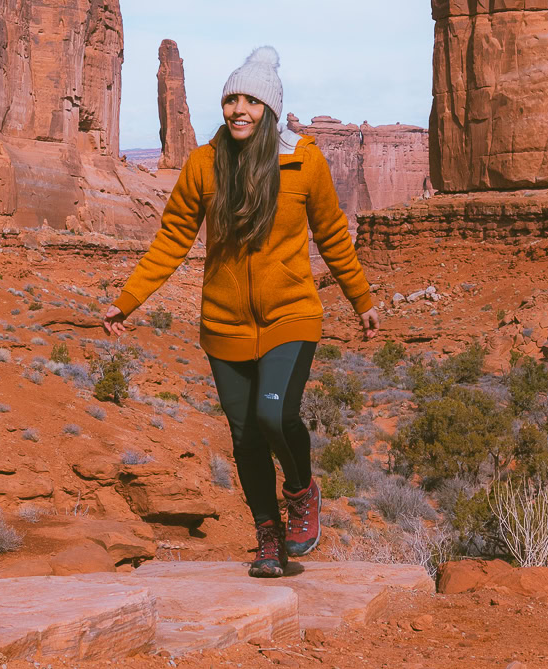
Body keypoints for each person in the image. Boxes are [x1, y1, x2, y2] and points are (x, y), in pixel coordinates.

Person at [102, 46, 379, 577]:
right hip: (224, 324)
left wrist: (361, 299)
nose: (239, 110)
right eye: (231, 99)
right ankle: (268, 537)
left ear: (270, 108)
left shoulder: (305, 160)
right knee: (246, 436)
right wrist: (127, 300)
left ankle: (301, 492)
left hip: (291, 313)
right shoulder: (206, 164)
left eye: (251, 100)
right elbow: (172, 240)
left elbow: (334, 237)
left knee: (273, 416)